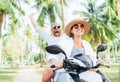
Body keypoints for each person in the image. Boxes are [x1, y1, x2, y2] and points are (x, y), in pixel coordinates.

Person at [29, 13, 65, 82]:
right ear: (51, 30)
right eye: (54, 27)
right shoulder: (49, 38)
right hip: (54, 66)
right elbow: (37, 28)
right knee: (47, 72)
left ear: (61, 28)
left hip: (67, 64)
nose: (56, 28)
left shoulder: (67, 38)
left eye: (58, 26)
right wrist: (31, 17)